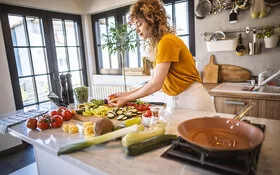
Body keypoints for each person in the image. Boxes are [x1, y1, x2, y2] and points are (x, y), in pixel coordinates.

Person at [108, 0, 216, 112]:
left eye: (139, 24)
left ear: (151, 18)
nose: (137, 30)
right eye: (135, 25)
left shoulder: (167, 41)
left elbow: (156, 84)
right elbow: (153, 82)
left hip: (193, 101)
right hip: (178, 101)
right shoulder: (162, 43)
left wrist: (126, 99)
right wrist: (125, 94)